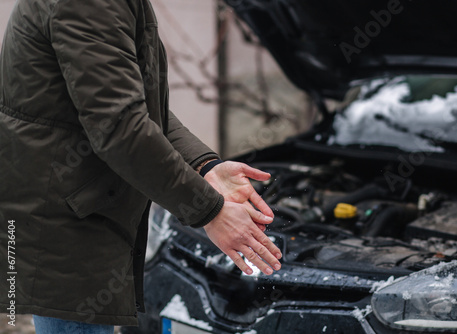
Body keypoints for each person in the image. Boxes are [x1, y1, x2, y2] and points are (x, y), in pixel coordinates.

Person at [0, 0, 281, 332]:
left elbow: (132, 105)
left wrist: (204, 165)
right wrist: (209, 211)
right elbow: (120, 126)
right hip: (64, 216)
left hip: (75, 204)